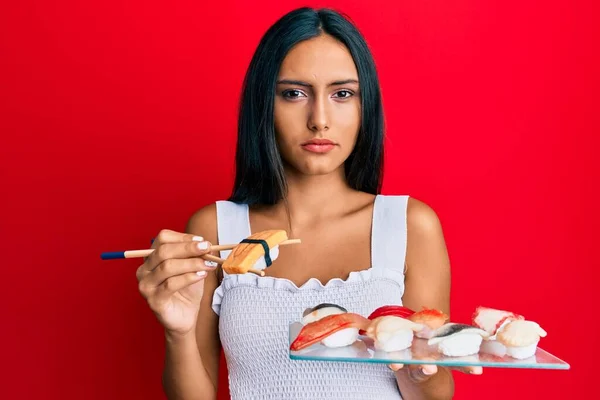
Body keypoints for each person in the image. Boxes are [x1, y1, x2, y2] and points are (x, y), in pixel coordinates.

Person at [136, 7, 480, 400]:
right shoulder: (214, 231)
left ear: (364, 106)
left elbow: (434, 395)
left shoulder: (409, 224)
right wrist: (176, 331)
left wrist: (420, 372)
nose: (319, 119)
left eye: (342, 94)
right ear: (264, 103)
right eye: (294, 93)